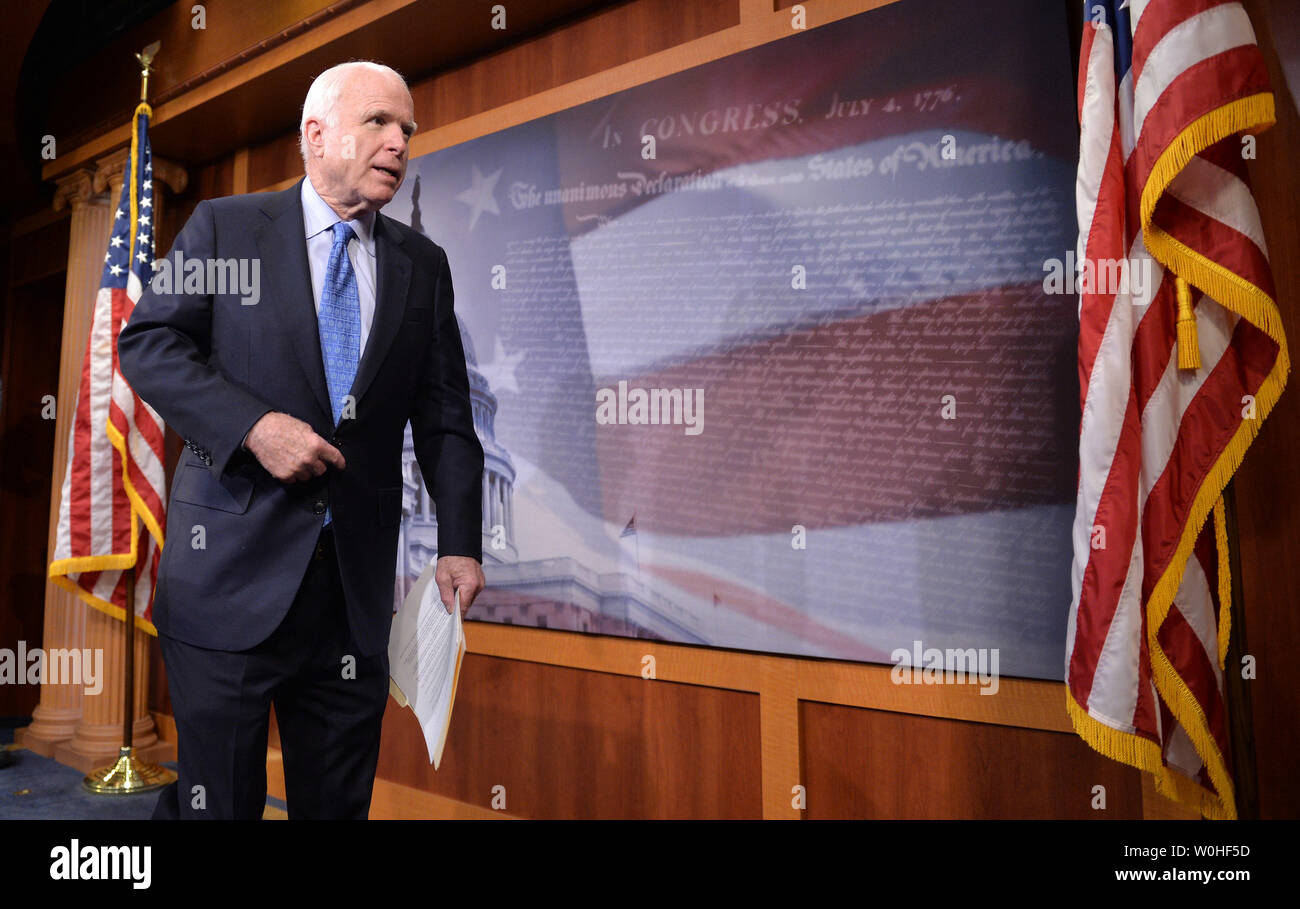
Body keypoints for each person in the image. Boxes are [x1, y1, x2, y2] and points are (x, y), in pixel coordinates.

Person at [117, 60, 485, 819]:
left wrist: (460, 541)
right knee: (216, 807)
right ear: (315, 136)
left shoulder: (424, 266)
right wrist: (253, 426)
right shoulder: (226, 227)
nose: (399, 142)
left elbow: (447, 416)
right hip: (226, 588)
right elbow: (149, 344)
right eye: (379, 122)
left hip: (349, 605)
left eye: (407, 129)